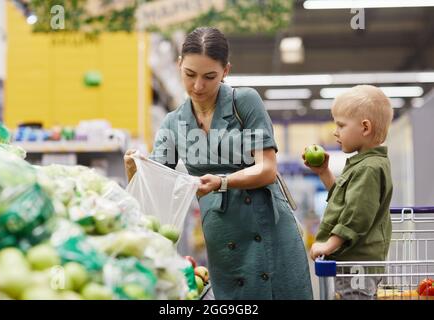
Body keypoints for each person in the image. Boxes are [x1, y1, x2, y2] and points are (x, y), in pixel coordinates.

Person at [124, 27, 313, 300]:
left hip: (269, 230)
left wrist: (222, 181)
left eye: (209, 77)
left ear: (225, 71)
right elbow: (156, 191)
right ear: (179, 65)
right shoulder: (173, 123)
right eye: (190, 75)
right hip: (223, 238)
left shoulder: (244, 102)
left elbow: (267, 169)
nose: (198, 86)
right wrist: (134, 167)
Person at [304, 85, 394, 299]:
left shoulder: (369, 168)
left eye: (341, 125)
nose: (335, 131)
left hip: (356, 264)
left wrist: (329, 244)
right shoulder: (363, 164)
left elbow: (357, 216)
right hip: (354, 262)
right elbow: (346, 200)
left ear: (365, 127)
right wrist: (324, 172)